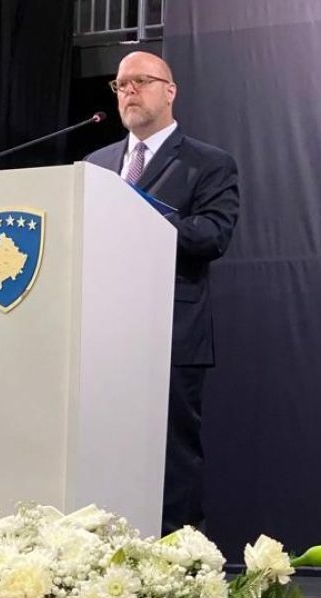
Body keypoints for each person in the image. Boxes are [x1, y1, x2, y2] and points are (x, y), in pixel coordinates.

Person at [85, 51, 239, 535]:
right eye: (120, 85)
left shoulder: (208, 163)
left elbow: (212, 235)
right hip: (102, 333)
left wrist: (141, 212)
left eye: (141, 81)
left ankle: (177, 559)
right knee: (103, 444)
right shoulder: (95, 165)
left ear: (169, 91)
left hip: (172, 331)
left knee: (171, 451)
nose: (128, 91)